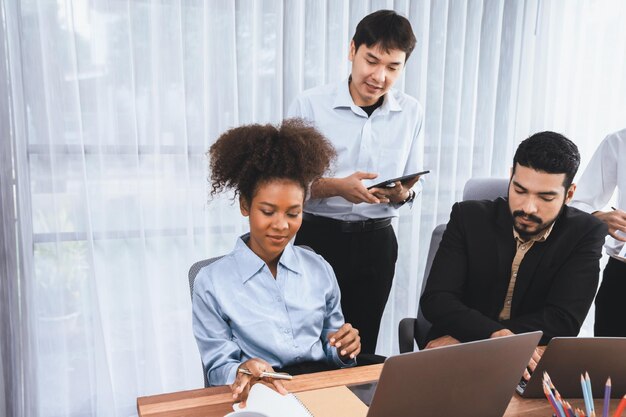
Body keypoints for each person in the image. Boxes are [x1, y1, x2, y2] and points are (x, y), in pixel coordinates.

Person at [192, 119, 361, 405]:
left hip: (320, 389)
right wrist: (243, 369)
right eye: (268, 211)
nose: (281, 225)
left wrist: (344, 349)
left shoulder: (319, 268)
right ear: (246, 205)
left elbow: (331, 345)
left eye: (293, 214)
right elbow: (217, 366)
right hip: (261, 394)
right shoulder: (211, 282)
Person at [288, 9, 424, 354]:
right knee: (307, 344)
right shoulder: (310, 104)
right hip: (315, 239)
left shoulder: (411, 112)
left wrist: (403, 193)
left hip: (376, 245)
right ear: (352, 50)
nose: (379, 76)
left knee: (360, 348)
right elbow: (286, 185)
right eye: (371, 61)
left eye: (393, 67)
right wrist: (337, 187)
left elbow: (414, 181)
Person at [420, 131, 607, 379]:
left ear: (569, 194)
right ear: (511, 177)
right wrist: (492, 335)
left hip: (519, 360)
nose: (528, 208)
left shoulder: (585, 233)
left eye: (546, 197)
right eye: (519, 190)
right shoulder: (468, 217)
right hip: (454, 355)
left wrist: (484, 338)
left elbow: (563, 320)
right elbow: (437, 299)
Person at [570, 128, 626, 337]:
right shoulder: (619, 142)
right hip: (622, 278)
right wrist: (600, 217)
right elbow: (578, 203)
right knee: (610, 365)